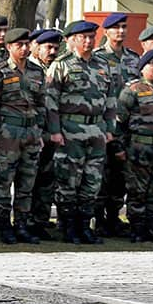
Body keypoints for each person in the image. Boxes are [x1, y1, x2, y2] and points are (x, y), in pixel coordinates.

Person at [45, 20, 118, 244]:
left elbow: (111, 99)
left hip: (96, 129)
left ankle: (86, 225)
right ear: (72, 40)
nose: (88, 41)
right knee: (69, 181)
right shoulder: (61, 64)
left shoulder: (103, 64)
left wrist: (109, 128)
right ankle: (69, 227)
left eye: (91, 37)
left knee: (92, 180)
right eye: (83, 37)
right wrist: (55, 131)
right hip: (70, 129)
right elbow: (50, 101)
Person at [0, 27, 48, 244]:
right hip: (7, 133)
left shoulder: (36, 71)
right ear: (9, 47)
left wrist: (39, 131)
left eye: (27, 44)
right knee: (4, 181)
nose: (24, 48)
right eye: (19, 45)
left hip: (30, 132)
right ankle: (4, 225)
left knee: (27, 182)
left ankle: (22, 224)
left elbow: (41, 104)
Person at [93, 12, 140, 237]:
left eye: (124, 27)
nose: (121, 31)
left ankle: (114, 218)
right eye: (116, 28)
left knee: (121, 176)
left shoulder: (133, 58)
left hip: (127, 127)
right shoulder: (97, 58)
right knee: (102, 174)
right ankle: (99, 220)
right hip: (103, 124)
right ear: (106, 32)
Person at [116, 49, 153, 242]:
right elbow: (119, 121)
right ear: (142, 68)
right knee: (138, 190)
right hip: (139, 148)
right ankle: (137, 228)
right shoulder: (132, 90)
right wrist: (118, 147)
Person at [28, 29, 63, 238]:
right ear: (37, 47)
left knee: (47, 180)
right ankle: (25, 220)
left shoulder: (57, 68)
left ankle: (40, 220)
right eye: (48, 47)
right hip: (32, 133)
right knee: (29, 179)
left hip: (53, 134)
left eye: (56, 48)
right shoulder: (28, 69)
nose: (52, 52)